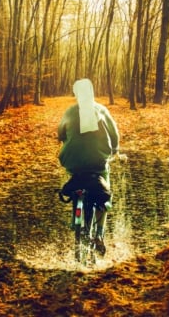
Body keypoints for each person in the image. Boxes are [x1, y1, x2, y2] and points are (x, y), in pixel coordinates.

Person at [58, 78, 119, 255]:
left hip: (73, 164)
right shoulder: (101, 110)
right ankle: (99, 233)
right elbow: (114, 135)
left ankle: (76, 222)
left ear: (76, 94)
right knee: (104, 192)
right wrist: (114, 149)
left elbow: (60, 132)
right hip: (98, 164)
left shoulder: (69, 111)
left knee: (76, 183)